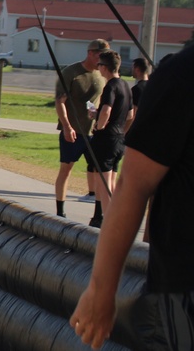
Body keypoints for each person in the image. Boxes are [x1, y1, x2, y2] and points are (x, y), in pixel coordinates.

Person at [70, 46, 194, 350]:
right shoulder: (181, 75)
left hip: (181, 293)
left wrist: (101, 290)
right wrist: (102, 290)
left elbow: (133, 186)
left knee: (105, 181)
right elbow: (135, 186)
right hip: (182, 292)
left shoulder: (177, 74)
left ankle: (98, 212)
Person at [54, 39, 108, 223]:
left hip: (95, 132)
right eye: (101, 55)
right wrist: (67, 127)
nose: (103, 59)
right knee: (66, 169)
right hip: (73, 131)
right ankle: (60, 212)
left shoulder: (102, 74)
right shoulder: (71, 72)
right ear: (91, 53)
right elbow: (59, 102)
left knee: (100, 172)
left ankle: (98, 215)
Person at [90, 50, 133, 218]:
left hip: (106, 139)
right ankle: (104, 218)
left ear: (105, 67)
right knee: (112, 182)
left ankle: (109, 222)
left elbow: (107, 110)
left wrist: (99, 127)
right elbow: (130, 116)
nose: (98, 68)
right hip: (119, 138)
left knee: (104, 184)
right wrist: (122, 131)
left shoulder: (110, 86)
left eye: (99, 65)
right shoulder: (125, 85)